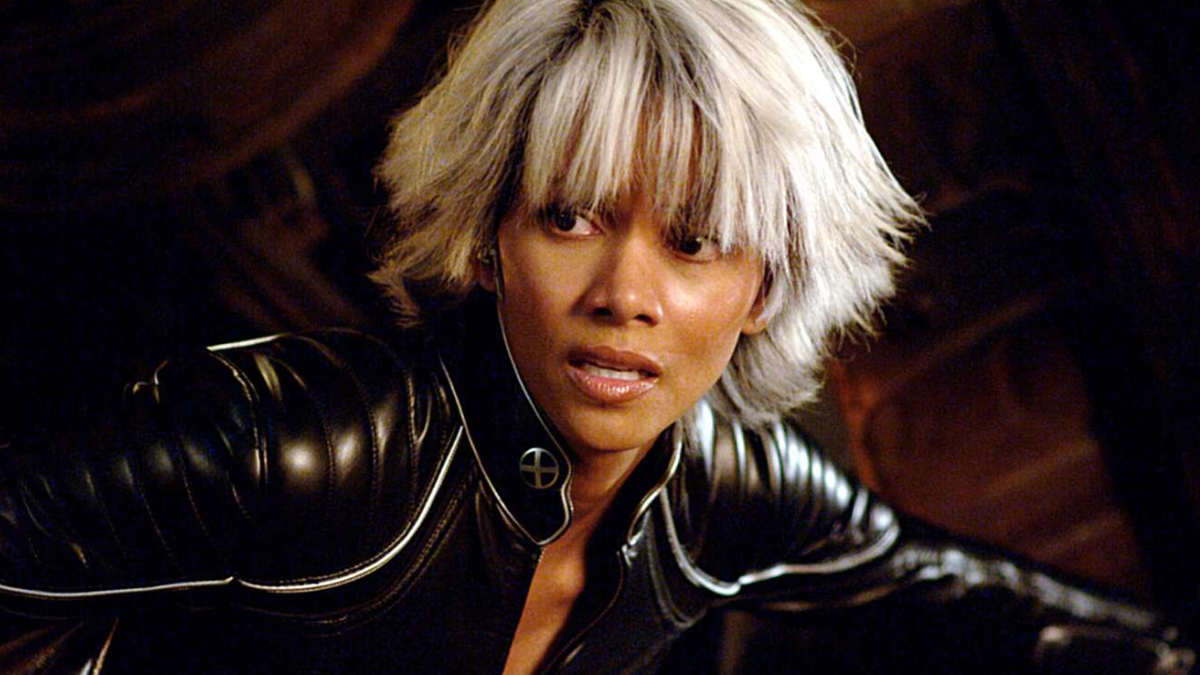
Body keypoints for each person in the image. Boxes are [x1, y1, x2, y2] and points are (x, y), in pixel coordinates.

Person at [0, 0, 1189, 673]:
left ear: (766, 284)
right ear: (487, 237)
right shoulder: (297, 440)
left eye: (696, 240)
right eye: (569, 217)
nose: (626, 293)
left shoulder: (723, 487)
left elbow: (981, 605)